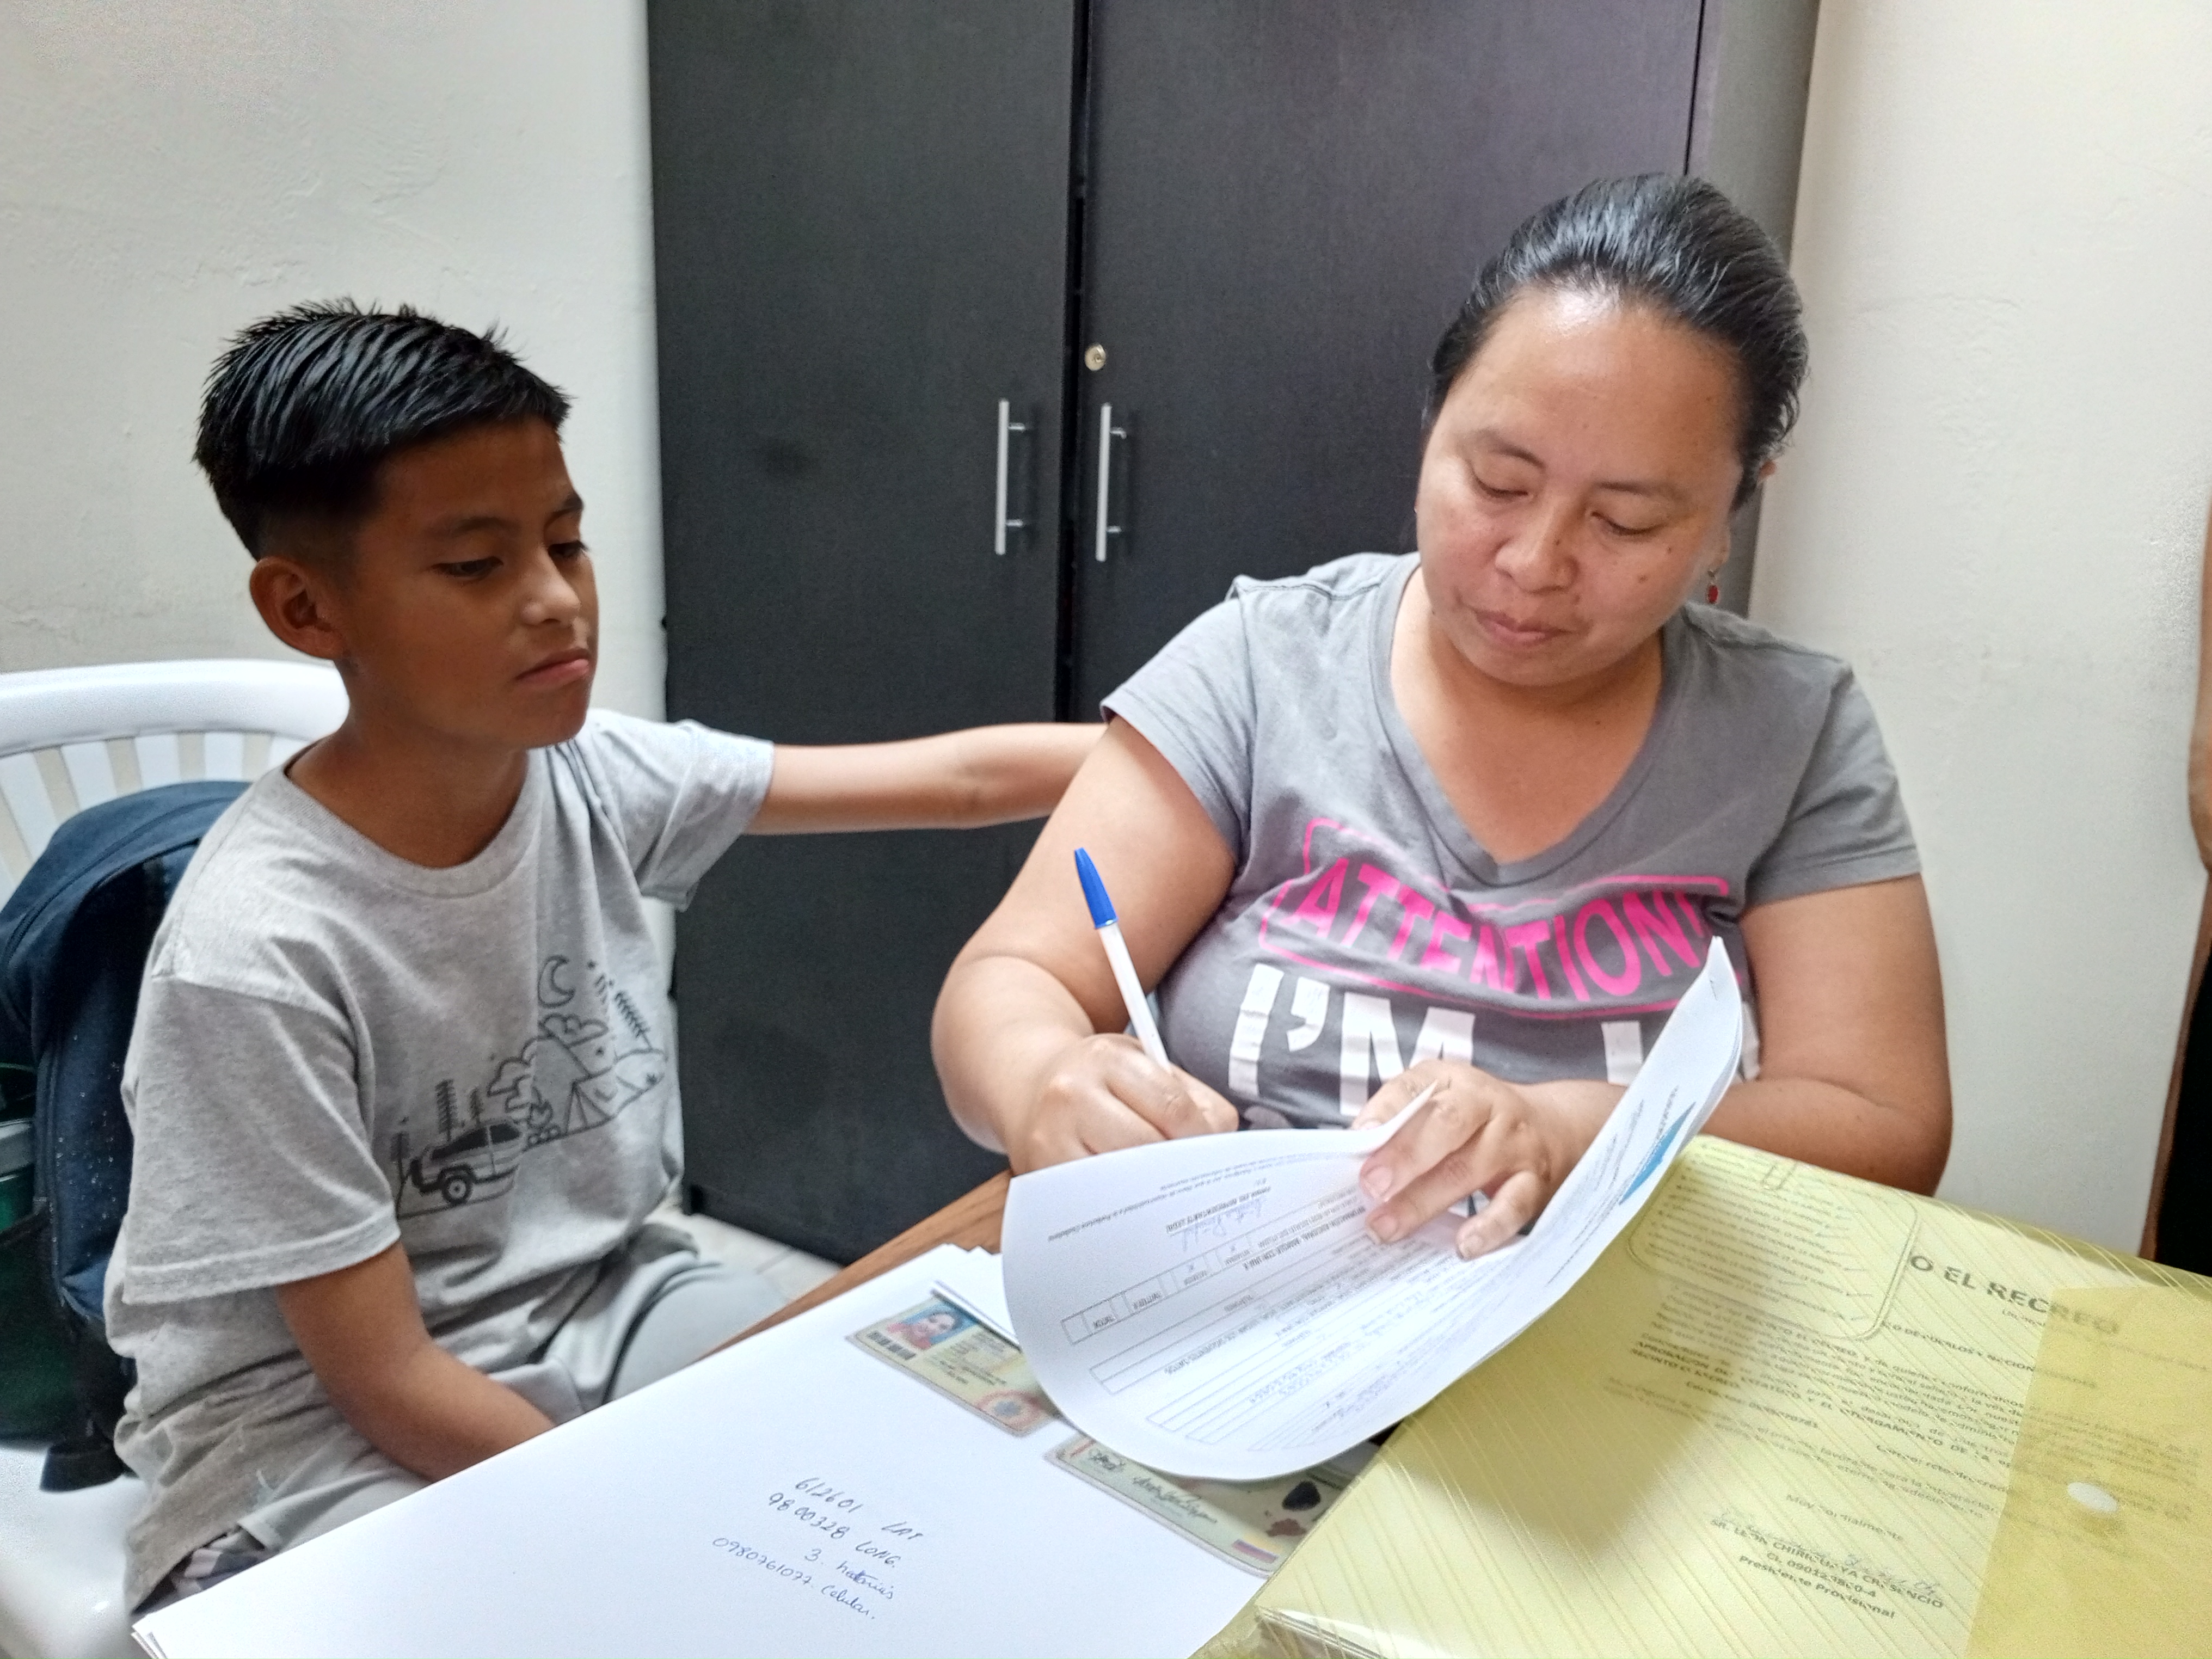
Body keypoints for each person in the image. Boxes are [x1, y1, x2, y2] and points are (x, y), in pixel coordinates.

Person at [107, 302, 1099, 1608]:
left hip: (606, 1298)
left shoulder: (585, 772)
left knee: (936, 1456)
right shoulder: (257, 957)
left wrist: (1205, 743)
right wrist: (642, 1512)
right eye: (477, 566)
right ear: (306, 606)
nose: (556, 601)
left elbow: (959, 781)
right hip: (312, 1439)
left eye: (566, 543)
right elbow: (386, 1380)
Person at [935, 175, 1951, 1264]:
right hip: (1230, 1301)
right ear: (1433, 427)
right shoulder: (1263, 664)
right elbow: (1014, 980)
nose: (1535, 562)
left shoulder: (1788, 732)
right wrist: (1042, 1078)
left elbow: (1883, 1122)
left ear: (1730, 515)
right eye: (1498, 482)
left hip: (1604, 1323)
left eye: (1624, 521)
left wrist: (1574, 1130)